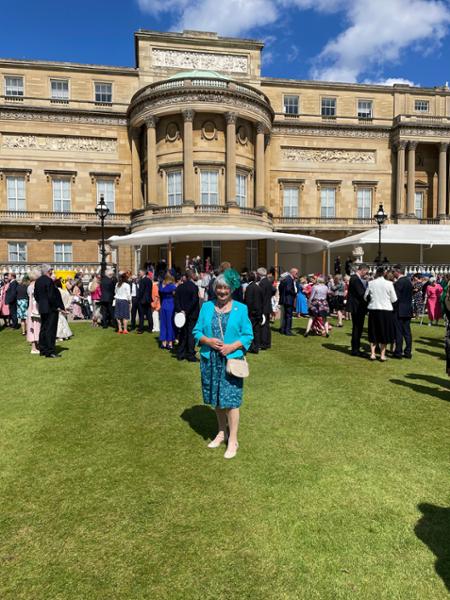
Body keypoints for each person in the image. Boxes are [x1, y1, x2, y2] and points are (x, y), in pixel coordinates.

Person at [193, 270, 253, 459]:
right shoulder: (207, 307)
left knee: (231, 401)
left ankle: (233, 440)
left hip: (231, 361)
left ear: (231, 289)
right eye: (219, 287)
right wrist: (207, 341)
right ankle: (221, 432)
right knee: (217, 400)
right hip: (211, 360)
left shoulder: (241, 309)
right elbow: (196, 331)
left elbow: (247, 335)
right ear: (214, 288)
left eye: (226, 287)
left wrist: (231, 347)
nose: (222, 291)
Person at [364, 267, 397, 361]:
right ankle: (382, 355)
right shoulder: (389, 284)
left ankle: (373, 354)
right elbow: (394, 299)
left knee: (373, 331)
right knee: (384, 332)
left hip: (374, 309)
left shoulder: (371, 283)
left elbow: (365, 297)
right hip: (386, 310)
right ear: (384, 273)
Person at [34, 264, 65, 358]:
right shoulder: (49, 281)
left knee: (43, 328)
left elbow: (36, 295)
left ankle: (42, 349)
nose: (52, 271)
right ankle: (50, 351)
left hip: (43, 307)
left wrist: (41, 303)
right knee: (50, 330)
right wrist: (57, 307)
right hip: (51, 308)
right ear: (49, 271)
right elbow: (51, 296)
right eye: (51, 270)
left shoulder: (38, 281)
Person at [174, 269, 200, 361]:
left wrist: (181, 311)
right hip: (191, 314)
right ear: (191, 276)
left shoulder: (179, 287)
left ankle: (181, 353)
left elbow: (176, 301)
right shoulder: (194, 287)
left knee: (182, 333)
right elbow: (194, 301)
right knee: (190, 334)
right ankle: (190, 354)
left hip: (182, 314)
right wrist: (186, 311)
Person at [347, 263, 369, 356]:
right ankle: (355, 349)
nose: (366, 274)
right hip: (357, 307)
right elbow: (361, 293)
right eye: (366, 272)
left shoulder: (355, 278)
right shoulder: (355, 279)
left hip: (357, 306)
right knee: (357, 328)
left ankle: (355, 348)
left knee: (357, 328)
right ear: (363, 270)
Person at [393, 265, 413, 359]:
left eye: (394, 272)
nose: (393, 274)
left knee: (399, 332)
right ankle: (408, 352)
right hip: (408, 309)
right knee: (407, 332)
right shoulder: (409, 282)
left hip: (399, 310)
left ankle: (398, 352)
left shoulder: (399, 283)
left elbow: (395, 298)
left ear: (398, 271)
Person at [244, 271, 263, 353]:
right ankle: (256, 347)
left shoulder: (249, 287)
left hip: (251, 313)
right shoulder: (258, 287)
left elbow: (248, 301)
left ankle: (251, 346)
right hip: (258, 312)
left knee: (249, 330)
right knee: (256, 331)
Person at [257, 267, 275, 350]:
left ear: (259, 274)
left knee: (263, 326)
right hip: (267, 305)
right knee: (267, 325)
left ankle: (263, 343)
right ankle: (267, 342)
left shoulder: (262, 283)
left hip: (263, 306)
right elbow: (273, 290)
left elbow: (261, 296)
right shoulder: (268, 281)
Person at [159, 273, 177, 350]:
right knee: (170, 323)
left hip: (164, 304)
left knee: (163, 323)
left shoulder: (162, 285)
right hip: (171, 304)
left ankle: (164, 342)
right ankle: (170, 343)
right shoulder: (172, 286)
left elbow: (161, 290)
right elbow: (175, 293)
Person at [278, 268, 298, 335]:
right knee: (289, 316)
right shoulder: (289, 279)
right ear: (292, 272)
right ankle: (288, 331)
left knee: (285, 315)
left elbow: (280, 288)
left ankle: (283, 329)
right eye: (296, 273)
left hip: (285, 299)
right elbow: (288, 289)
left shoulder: (285, 278)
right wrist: (294, 293)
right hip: (288, 300)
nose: (297, 275)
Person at [26, 268, 41, 354]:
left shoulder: (30, 286)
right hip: (34, 309)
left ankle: (36, 346)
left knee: (33, 327)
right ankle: (34, 348)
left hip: (31, 308)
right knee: (35, 327)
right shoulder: (34, 286)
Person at [137, 269, 153, 334]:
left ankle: (141, 329)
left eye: (140, 272)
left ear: (143, 273)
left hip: (142, 300)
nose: (139, 274)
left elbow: (141, 291)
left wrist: (138, 298)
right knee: (149, 314)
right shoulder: (149, 280)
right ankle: (150, 328)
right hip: (148, 299)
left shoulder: (142, 280)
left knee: (141, 315)